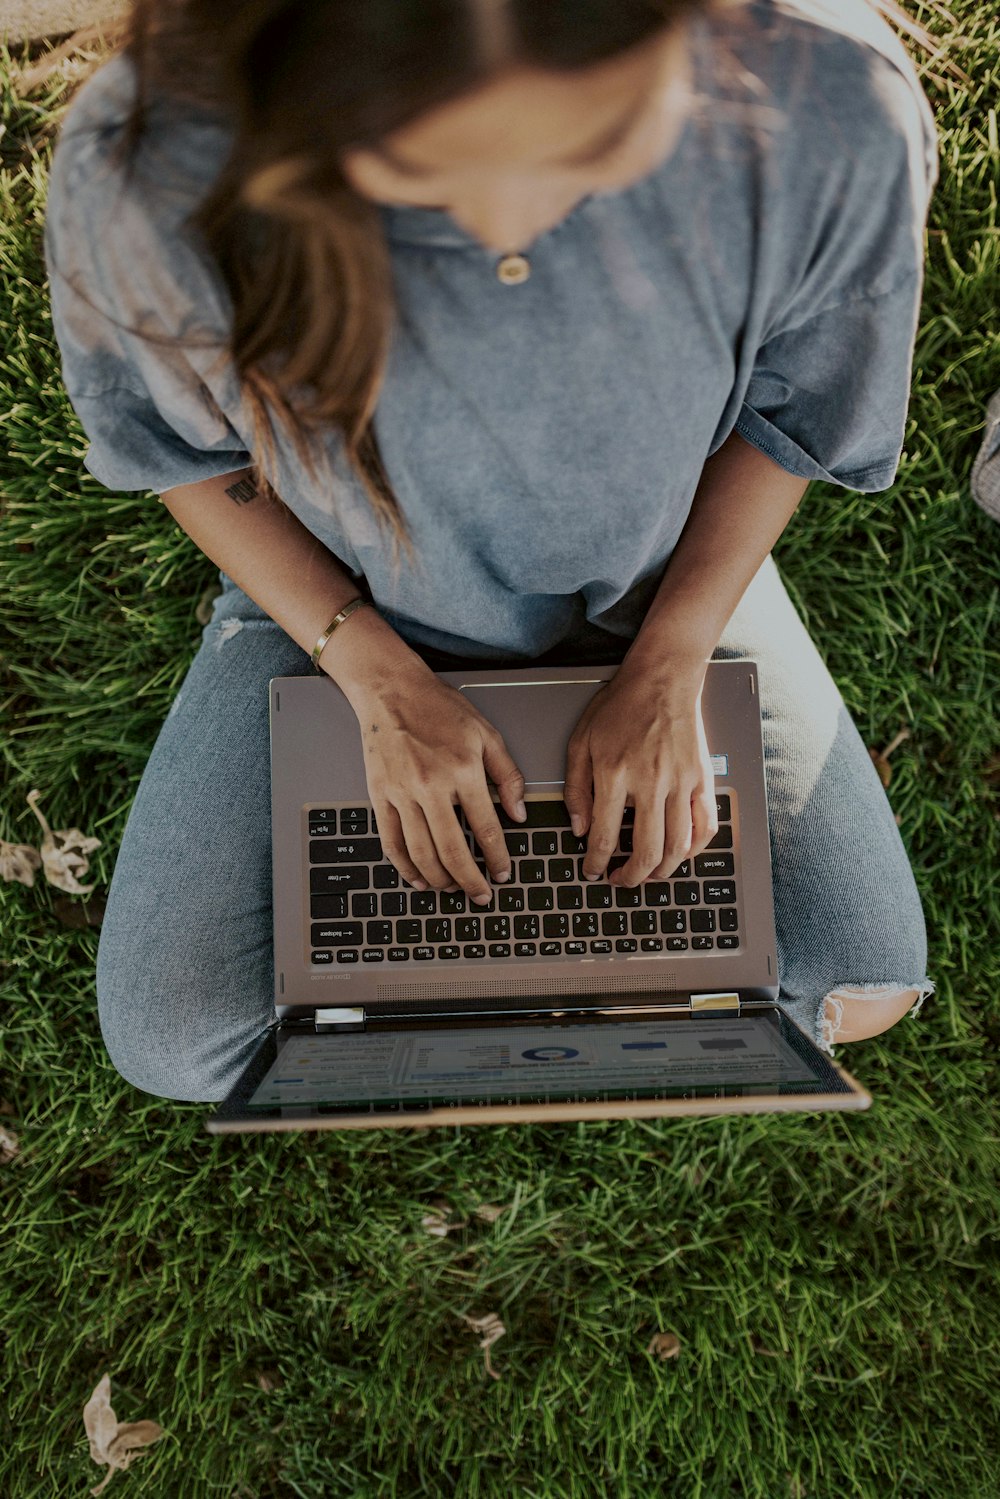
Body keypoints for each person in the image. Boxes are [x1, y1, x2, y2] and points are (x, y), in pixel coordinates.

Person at [44, 0, 939, 1103]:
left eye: (593, 146)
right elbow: (186, 455)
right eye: (426, 174)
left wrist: (671, 658)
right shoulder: (152, 160)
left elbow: (791, 419)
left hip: (662, 580)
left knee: (861, 984)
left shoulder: (830, 100)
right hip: (347, 591)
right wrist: (372, 676)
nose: (509, 229)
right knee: (177, 1043)